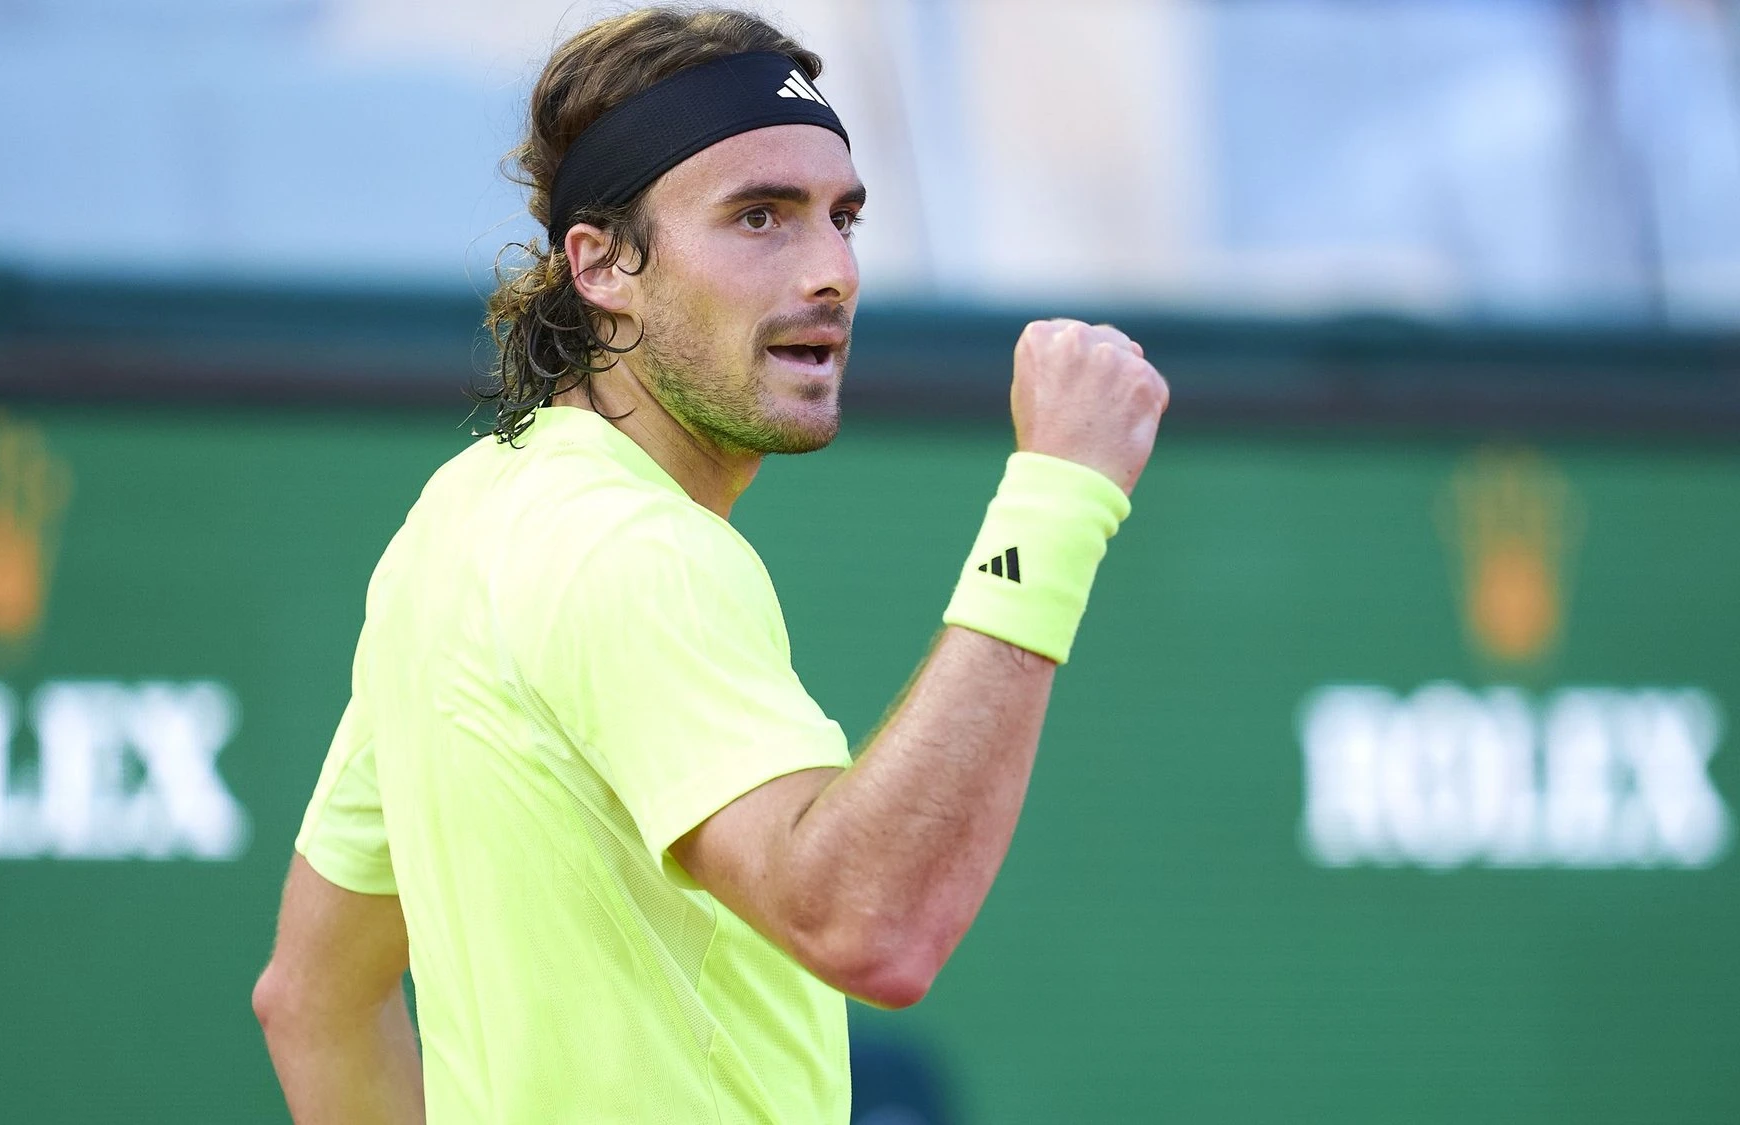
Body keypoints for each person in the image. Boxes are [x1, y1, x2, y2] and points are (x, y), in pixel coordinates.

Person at [250, 6, 1168, 1123]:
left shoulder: (461, 520)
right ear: (602, 264)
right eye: (759, 217)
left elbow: (311, 999)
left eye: (842, 218)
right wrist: (1057, 496)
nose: (832, 272)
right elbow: (868, 923)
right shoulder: (628, 549)